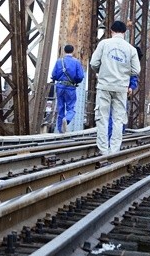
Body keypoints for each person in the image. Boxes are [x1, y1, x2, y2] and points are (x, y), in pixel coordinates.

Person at [90, 20, 140, 155]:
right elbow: (136, 70)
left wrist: (101, 71)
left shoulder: (104, 44)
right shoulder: (131, 49)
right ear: (125, 32)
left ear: (111, 31)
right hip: (121, 88)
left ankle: (103, 150)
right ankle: (114, 150)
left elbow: (93, 63)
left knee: (102, 118)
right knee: (118, 120)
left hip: (104, 86)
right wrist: (124, 73)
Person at [51, 44, 84, 133]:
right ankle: (67, 119)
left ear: (64, 51)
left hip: (60, 86)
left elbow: (54, 75)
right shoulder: (76, 62)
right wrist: (76, 81)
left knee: (60, 107)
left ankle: (60, 130)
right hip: (70, 87)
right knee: (71, 107)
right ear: (73, 51)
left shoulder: (59, 61)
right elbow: (80, 76)